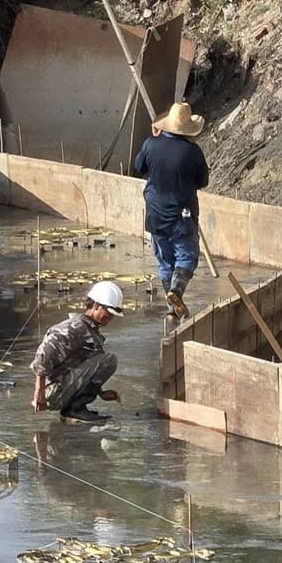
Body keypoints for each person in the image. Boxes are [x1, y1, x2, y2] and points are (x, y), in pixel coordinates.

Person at [132, 101, 209, 321]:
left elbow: (139, 168)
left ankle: (171, 310)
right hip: (181, 214)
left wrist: (154, 141)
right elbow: (202, 181)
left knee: (165, 261)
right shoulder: (192, 152)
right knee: (186, 257)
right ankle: (175, 292)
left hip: (155, 213)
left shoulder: (150, 144)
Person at [31, 281, 123, 424]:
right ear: (96, 305)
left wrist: (100, 392)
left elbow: (81, 364)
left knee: (103, 359)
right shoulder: (74, 328)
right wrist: (39, 390)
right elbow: (43, 355)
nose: (110, 318)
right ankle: (75, 409)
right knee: (109, 360)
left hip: (60, 388)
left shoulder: (90, 331)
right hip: (54, 392)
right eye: (108, 313)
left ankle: (75, 407)